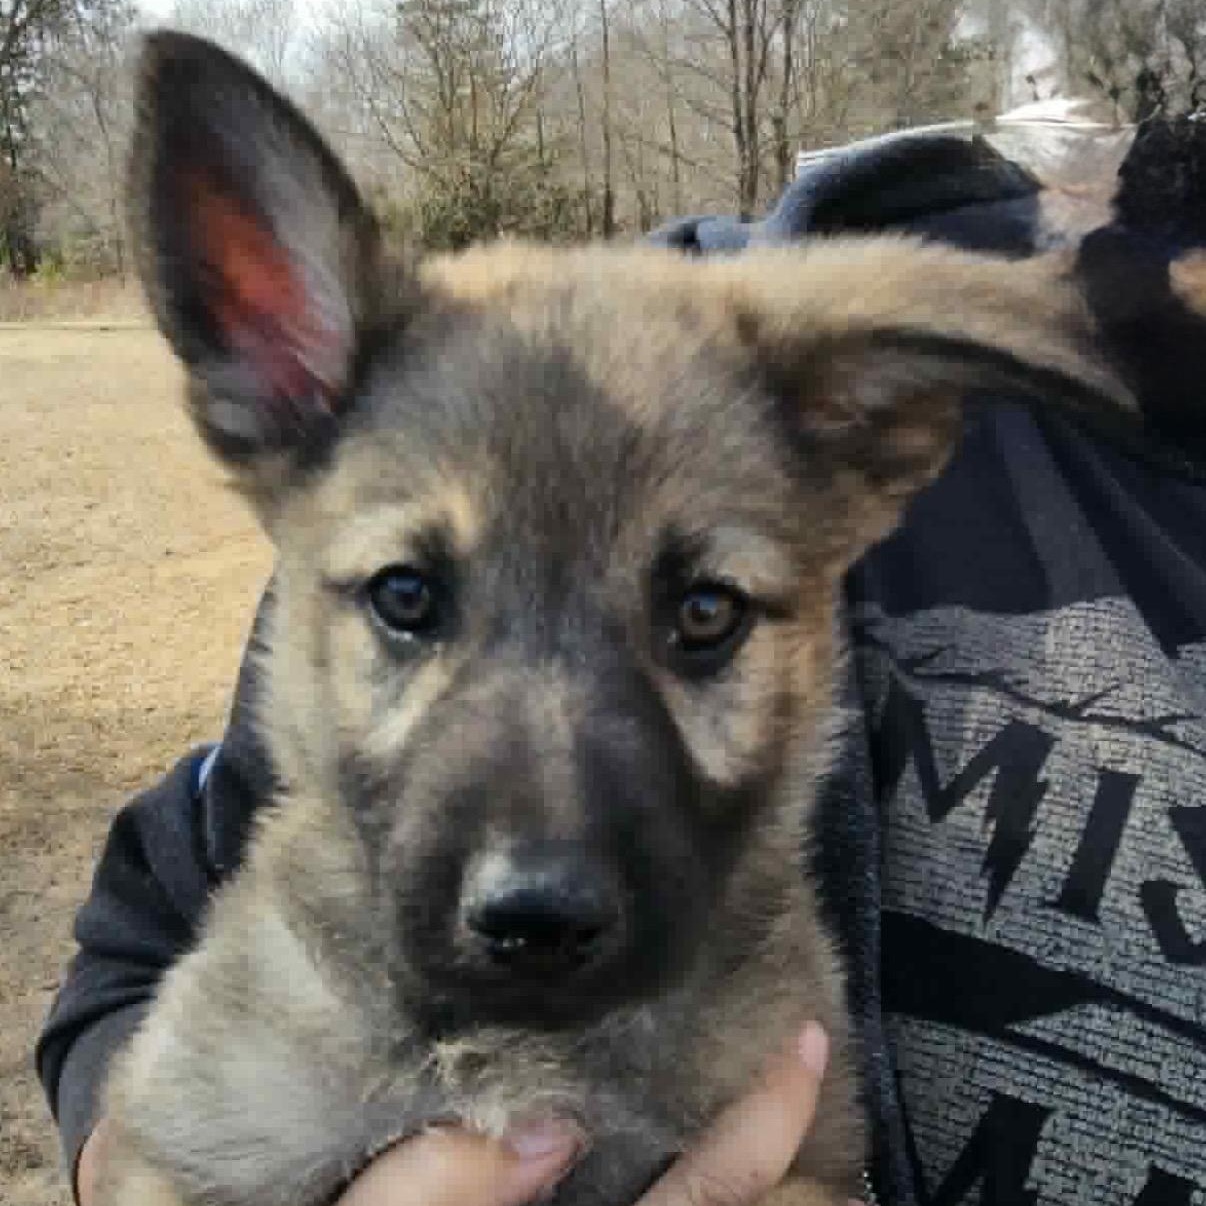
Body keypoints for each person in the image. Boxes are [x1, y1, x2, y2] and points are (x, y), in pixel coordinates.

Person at [37, 114, 1206, 1206]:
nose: (537, 865)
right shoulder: (531, 364)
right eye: (410, 600)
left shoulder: (757, 1014)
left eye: (702, 619)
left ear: (870, 437)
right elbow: (137, 1022)